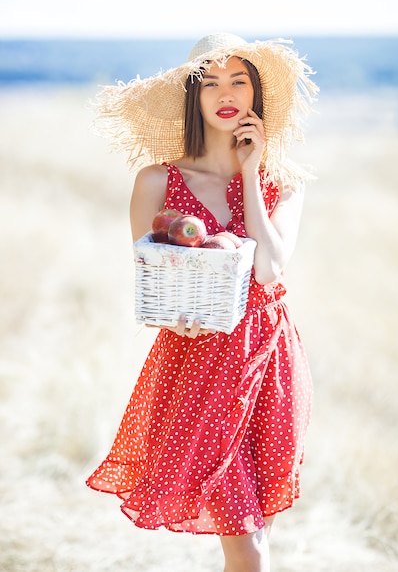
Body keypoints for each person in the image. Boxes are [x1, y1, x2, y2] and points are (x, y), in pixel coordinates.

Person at [86, 33, 318, 572]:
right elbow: (153, 275)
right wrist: (179, 319)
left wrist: (252, 174)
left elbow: (269, 267)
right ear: (194, 96)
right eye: (210, 82)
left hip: (269, 363)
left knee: (256, 531)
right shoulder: (158, 181)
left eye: (239, 80)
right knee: (249, 546)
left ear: (257, 94)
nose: (225, 92)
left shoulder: (283, 182)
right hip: (196, 371)